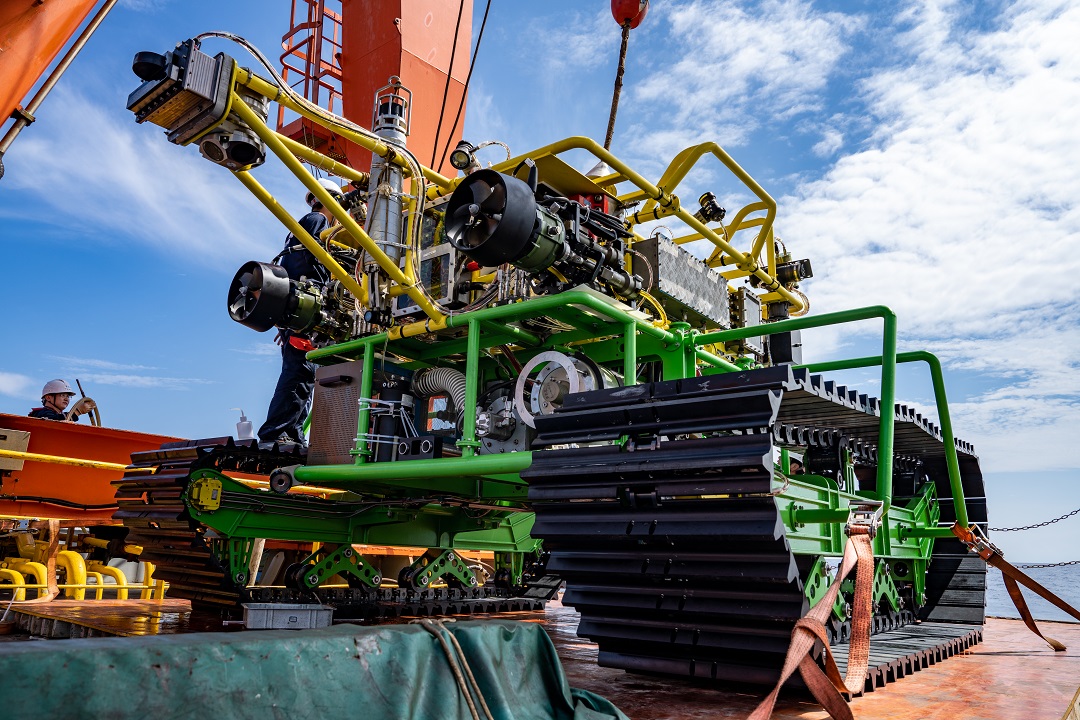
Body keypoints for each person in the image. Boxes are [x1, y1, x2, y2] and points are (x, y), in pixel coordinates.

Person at [257, 179, 341, 446]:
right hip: (304, 310)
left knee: (305, 373)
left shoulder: (304, 225)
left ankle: (293, 433)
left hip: (298, 312)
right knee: (299, 373)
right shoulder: (318, 221)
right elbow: (312, 266)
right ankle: (275, 433)